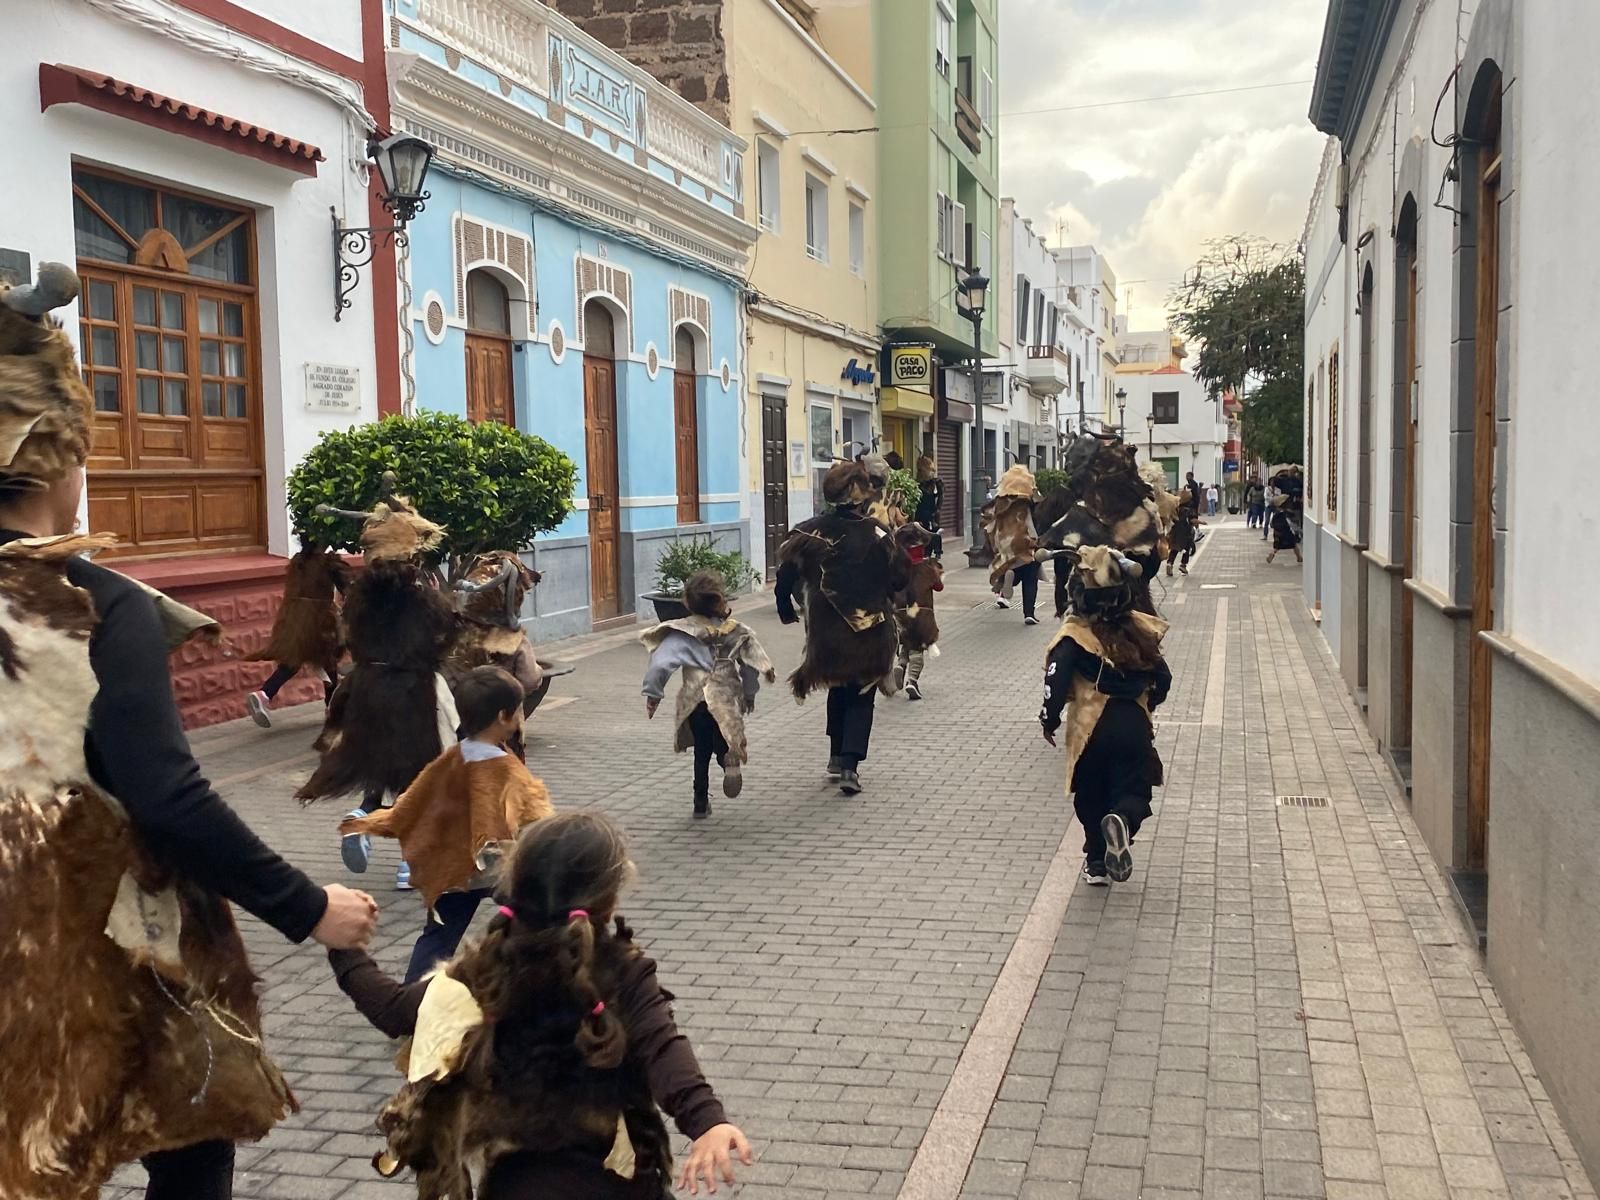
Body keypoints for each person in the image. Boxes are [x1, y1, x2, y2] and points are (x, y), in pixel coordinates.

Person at [0, 261, 378, 1200]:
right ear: (60, 455)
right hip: (95, 940)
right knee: (190, 1126)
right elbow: (166, 794)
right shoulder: (92, 605)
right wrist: (305, 906)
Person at [327, 811, 754, 1198]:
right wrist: (707, 1122)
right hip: (619, 1182)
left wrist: (340, 944)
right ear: (609, 896)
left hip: (519, 1184)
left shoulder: (486, 966)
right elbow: (662, 1048)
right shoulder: (621, 970)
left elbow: (391, 1008)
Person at [339, 666, 554, 983]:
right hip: (497, 868)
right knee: (538, 918)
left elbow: (412, 802)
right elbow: (531, 814)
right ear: (503, 717)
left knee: (438, 936)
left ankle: (412, 1001)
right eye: (518, 710)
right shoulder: (504, 767)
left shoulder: (450, 758)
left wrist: (376, 821)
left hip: (451, 871)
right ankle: (538, 979)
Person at [296, 495, 460, 892]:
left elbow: (349, 639)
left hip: (366, 686)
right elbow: (446, 631)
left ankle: (361, 816)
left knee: (377, 766)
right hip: (412, 689)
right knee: (419, 775)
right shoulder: (420, 593)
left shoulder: (357, 594)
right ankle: (410, 864)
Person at [1039, 545, 1172, 886]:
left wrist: (1049, 720)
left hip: (1090, 728)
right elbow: (1164, 677)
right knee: (1133, 785)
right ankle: (1123, 820)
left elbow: (1055, 678)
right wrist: (1149, 703)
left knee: (1091, 792)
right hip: (1133, 724)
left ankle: (1097, 863)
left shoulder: (1073, 636)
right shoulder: (1137, 629)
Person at [776, 460, 907, 795]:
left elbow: (785, 575)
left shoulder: (808, 531)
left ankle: (835, 754)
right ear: (860, 494)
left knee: (837, 686)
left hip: (826, 633)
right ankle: (850, 765)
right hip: (869, 632)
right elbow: (898, 579)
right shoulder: (878, 533)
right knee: (862, 694)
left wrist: (785, 608)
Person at [640, 570, 775, 819]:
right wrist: (750, 692)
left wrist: (653, 693)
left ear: (688, 602)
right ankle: (728, 764)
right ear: (720, 600)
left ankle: (700, 801)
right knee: (725, 742)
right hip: (726, 698)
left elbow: (660, 665)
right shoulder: (737, 630)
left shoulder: (682, 632)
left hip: (696, 699)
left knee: (701, 750)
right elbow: (753, 664)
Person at [245, 543, 352, 727]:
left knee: (293, 660)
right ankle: (332, 709)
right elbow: (349, 588)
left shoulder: (298, 561)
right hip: (319, 619)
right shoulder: (329, 563)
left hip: (293, 617)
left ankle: (263, 695)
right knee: (329, 660)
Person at [892, 522, 943, 701]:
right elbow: (939, 587)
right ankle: (912, 681)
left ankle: (900, 665)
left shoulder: (897, 567)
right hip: (922, 613)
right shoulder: (927, 567)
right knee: (918, 648)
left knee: (907, 639)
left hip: (900, 611)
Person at [986, 463, 1042, 625]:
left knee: (1010, 566)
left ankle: (1009, 578)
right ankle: (1029, 613)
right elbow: (1038, 515)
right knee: (1031, 577)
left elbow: (991, 524)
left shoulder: (1000, 501)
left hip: (1007, 543)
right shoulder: (1028, 501)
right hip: (1026, 540)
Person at [914, 453, 944, 559]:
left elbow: (940, 497)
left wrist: (938, 510)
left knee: (934, 530)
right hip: (920, 511)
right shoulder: (917, 483)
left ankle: (936, 551)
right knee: (922, 531)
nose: (932, 473)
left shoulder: (936, 483)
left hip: (932, 511)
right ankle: (925, 552)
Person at [1165, 493, 1203, 576]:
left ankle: (1170, 563)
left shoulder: (1176, 509)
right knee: (1187, 549)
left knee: (1174, 549)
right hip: (1186, 532)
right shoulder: (1189, 510)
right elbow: (1192, 520)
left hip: (1175, 531)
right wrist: (1201, 522)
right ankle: (1183, 565)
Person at [1266, 496, 1304, 564]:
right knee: (1294, 545)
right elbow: (1292, 518)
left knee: (1277, 547)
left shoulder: (1275, 514)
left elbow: (1271, 524)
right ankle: (1299, 557)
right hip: (1286, 532)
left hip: (1277, 533)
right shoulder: (1285, 512)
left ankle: (1272, 554)